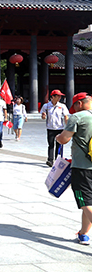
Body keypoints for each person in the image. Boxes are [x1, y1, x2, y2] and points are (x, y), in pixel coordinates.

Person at [55, 93, 92, 245]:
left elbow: (64, 139)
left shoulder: (77, 117)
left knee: (84, 200)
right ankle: (83, 234)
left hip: (82, 167)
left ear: (79, 104)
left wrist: (58, 137)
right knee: (89, 202)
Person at [41, 89, 70, 167]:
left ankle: (57, 160)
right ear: (52, 97)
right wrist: (43, 116)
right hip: (50, 128)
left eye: (60, 96)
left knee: (59, 145)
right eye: (58, 96)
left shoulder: (62, 106)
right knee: (51, 144)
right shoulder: (46, 106)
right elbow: (43, 117)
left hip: (59, 128)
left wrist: (68, 127)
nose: (59, 98)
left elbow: (66, 116)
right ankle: (50, 160)